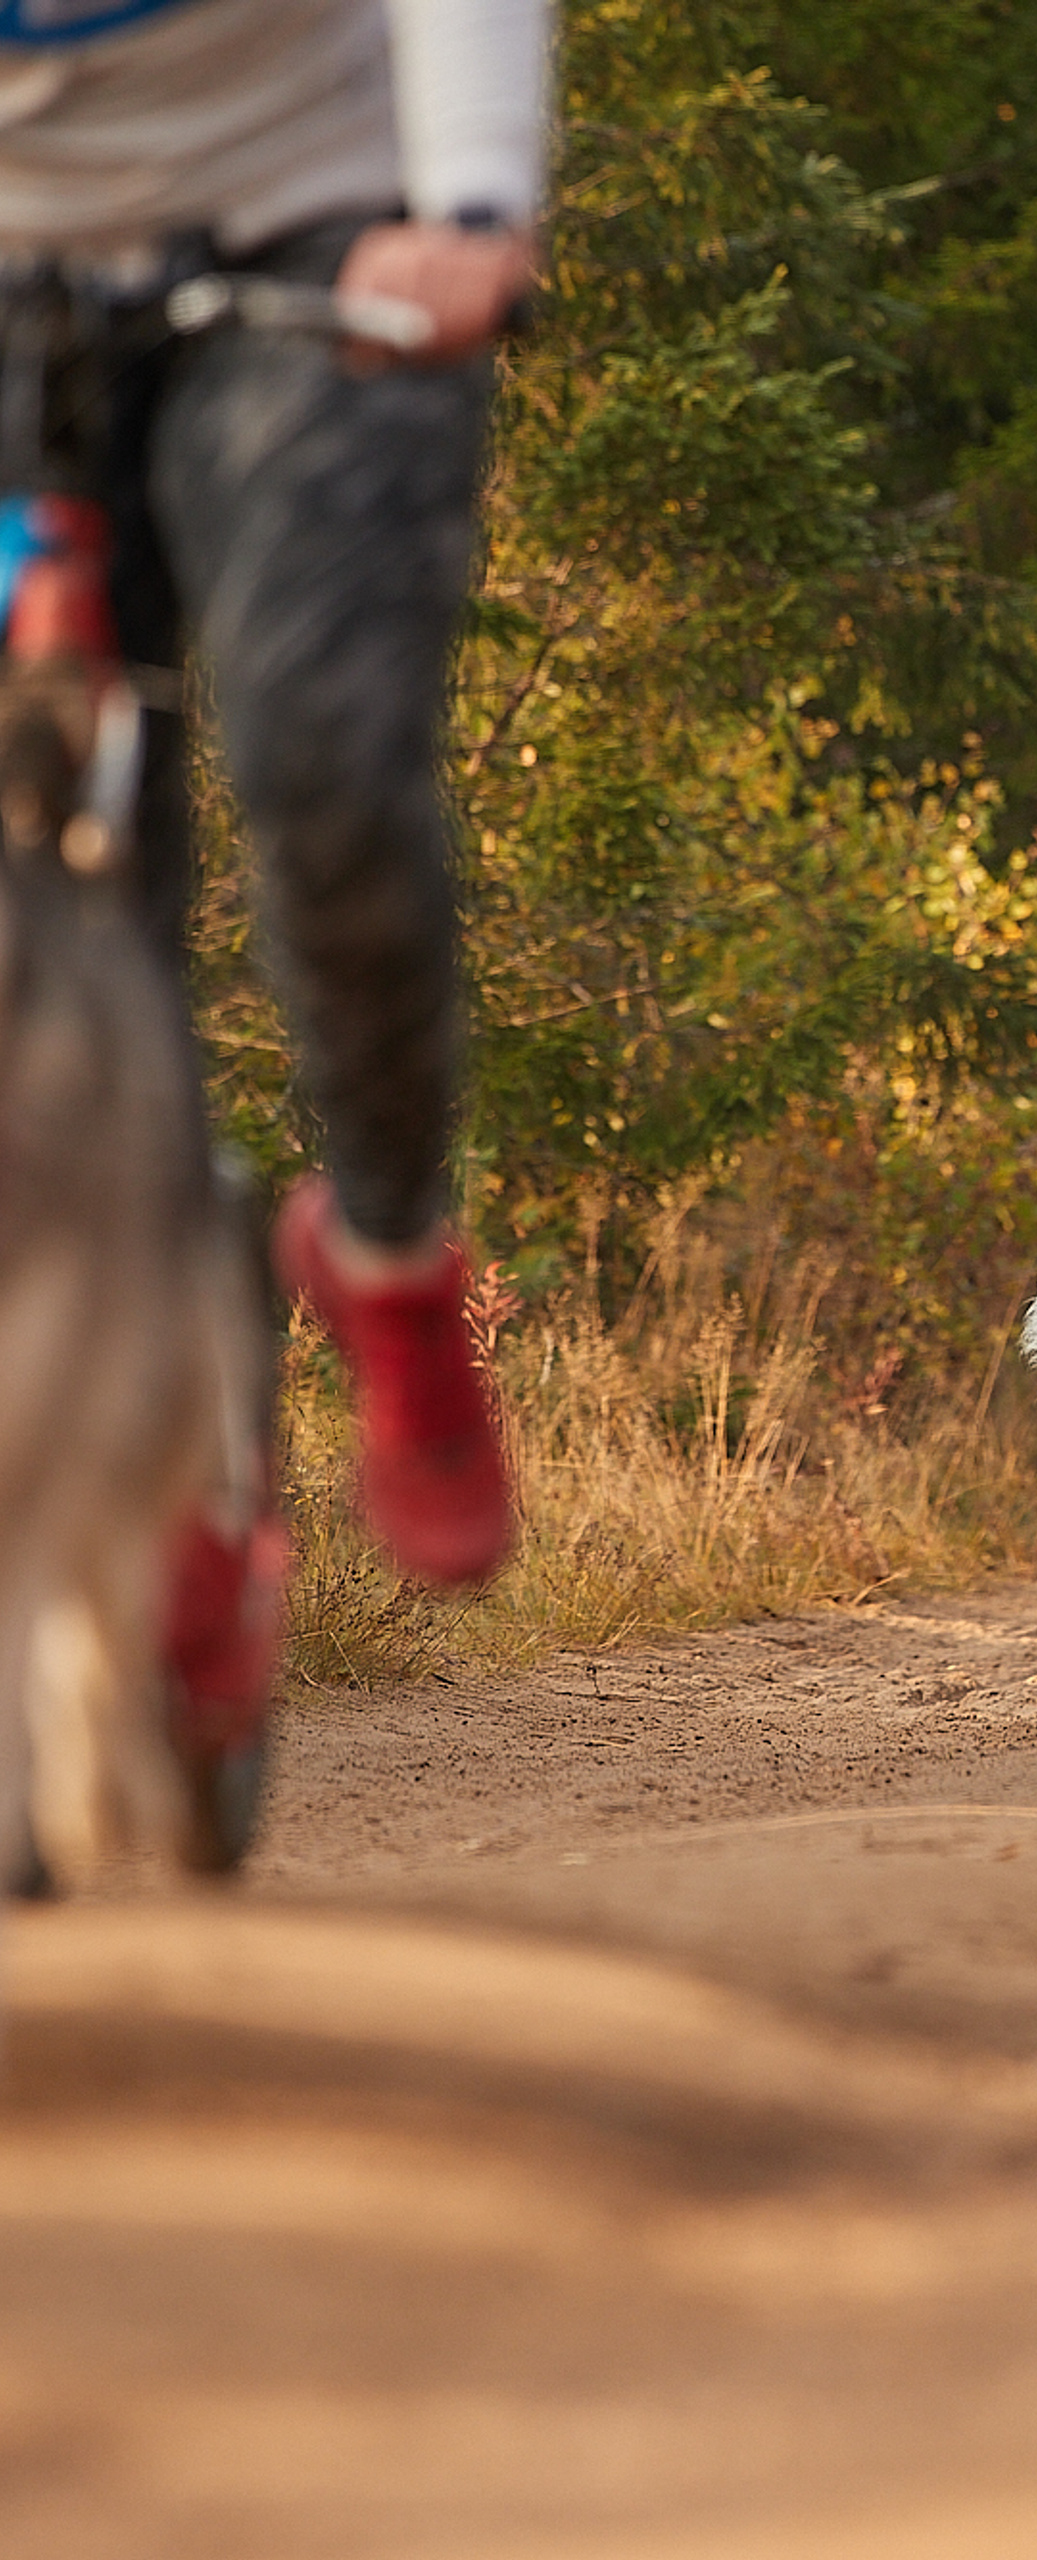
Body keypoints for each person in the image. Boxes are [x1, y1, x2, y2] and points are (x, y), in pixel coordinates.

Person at [0, 0, 550, 1842]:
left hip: (309, 225)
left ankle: (390, 1253)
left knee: (320, 763)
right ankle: (139, 1456)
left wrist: (472, 201)